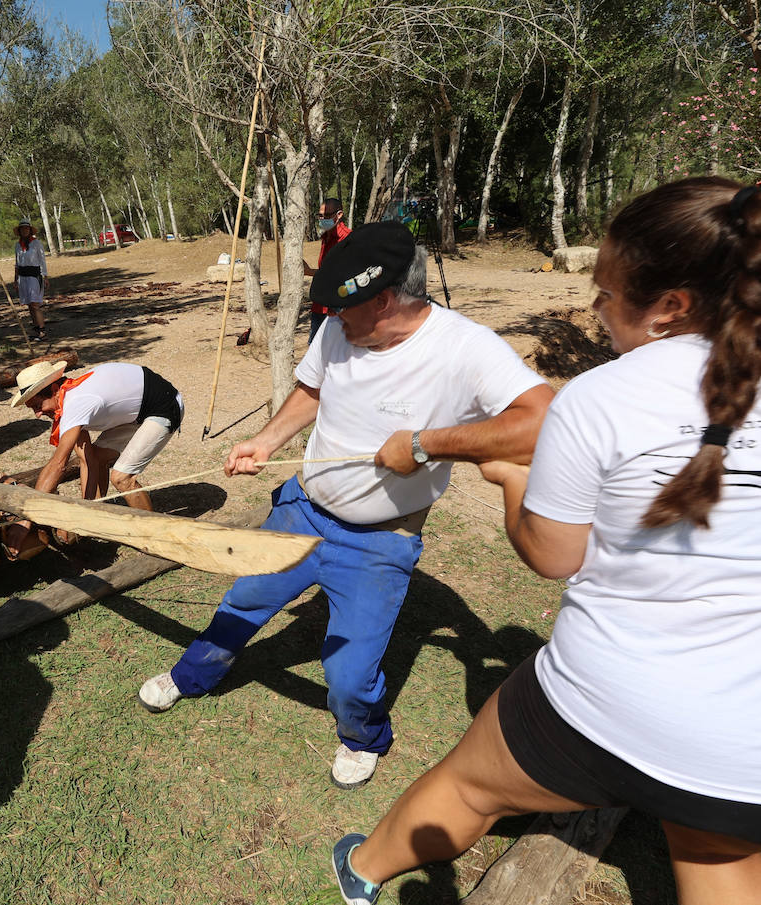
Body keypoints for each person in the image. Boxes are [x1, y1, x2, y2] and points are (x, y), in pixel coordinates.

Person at [331, 179, 761, 905]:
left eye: (606, 293)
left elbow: (554, 554)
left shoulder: (601, 396)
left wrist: (506, 481)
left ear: (670, 308)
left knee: (468, 786)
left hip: (603, 699)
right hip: (742, 744)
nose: (596, 310)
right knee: (720, 866)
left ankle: (363, 868)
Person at [138, 222, 553, 792]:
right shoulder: (339, 333)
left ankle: (363, 737)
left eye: (344, 310)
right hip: (301, 511)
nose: (332, 320)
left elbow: (541, 420)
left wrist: (426, 444)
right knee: (243, 601)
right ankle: (192, 676)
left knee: (350, 676)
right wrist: (265, 441)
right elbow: (312, 389)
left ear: (383, 301)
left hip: (380, 542)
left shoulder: (465, 348)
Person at [8, 359, 184, 527]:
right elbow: (88, 460)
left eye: (38, 406)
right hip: (140, 409)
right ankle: (98, 515)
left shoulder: (76, 404)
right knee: (99, 456)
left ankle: (153, 532)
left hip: (165, 405)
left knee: (122, 477)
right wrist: (88, 508)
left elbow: (58, 465)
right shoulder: (68, 396)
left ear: (54, 390)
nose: (37, 414)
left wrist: (27, 517)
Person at [302, 197, 350, 342]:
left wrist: (310, 272)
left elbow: (338, 275)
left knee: (336, 352)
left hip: (337, 308)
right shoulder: (325, 238)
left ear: (339, 214)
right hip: (319, 306)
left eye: (327, 216)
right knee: (314, 349)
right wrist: (309, 271)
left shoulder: (347, 239)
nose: (323, 219)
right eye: (320, 216)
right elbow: (326, 271)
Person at [14, 218, 48, 339]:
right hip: (22, 277)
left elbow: (42, 260)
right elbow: (17, 263)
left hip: (34, 275)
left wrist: (45, 276)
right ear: (20, 231)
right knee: (29, 303)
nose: (24, 230)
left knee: (35, 303)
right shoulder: (18, 245)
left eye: (26, 228)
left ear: (30, 230)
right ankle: (36, 328)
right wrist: (15, 280)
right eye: (22, 229)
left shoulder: (36, 243)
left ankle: (42, 330)